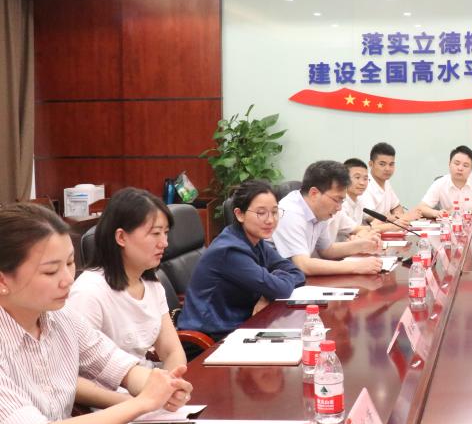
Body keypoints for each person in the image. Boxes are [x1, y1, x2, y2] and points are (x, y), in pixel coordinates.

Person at [0, 204, 191, 424]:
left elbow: (120, 367)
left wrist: (161, 385)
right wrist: (141, 404)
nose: (67, 279)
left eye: (69, 263)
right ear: (3, 280)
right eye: (50, 271)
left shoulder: (61, 317)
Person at [66, 188, 186, 382]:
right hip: (112, 396)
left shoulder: (153, 285)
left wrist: (170, 385)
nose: (164, 243)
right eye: (156, 233)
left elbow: (172, 352)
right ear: (121, 237)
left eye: (165, 233)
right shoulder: (88, 292)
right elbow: (73, 376)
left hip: (149, 386)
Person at [178, 180, 306, 339]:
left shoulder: (256, 241)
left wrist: (267, 294)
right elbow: (282, 289)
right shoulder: (230, 251)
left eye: (274, 212)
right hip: (212, 337)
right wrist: (272, 286)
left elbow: (297, 273)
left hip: (242, 324)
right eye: (261, 213)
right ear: (240, 214)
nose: (270, 220)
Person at [273, 160, 383, 275]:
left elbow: (326, 250)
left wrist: (362, 245)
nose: (339, 208)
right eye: (336, 200)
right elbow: (303, 265)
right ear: (314, 193)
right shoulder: (291, 212)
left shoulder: (319, 211)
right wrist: (357, 266)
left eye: (342, 201)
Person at [416, 145, 472, 218]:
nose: (460, 168)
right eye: (457, 163)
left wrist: (465, 211)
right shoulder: (439, 183)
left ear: (471, 169)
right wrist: (437, 213)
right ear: (449, 164)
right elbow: (421, 208)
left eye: (465, 165)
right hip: (447, 226)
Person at [364, 142, 421, 227]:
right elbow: (370, 217)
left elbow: (396, 206)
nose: (387, 169)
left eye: (391, 164)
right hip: (368, 231)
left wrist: (398, 215)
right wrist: (402, 217)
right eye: (382, 164)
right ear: (371, 164)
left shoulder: (386, 182)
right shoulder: (364, 184)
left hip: (386, 230)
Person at [327, 158, 383, 240]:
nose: (362, 183)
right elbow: (354, 230)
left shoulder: (359, 201)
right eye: (357, 177)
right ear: (344, 179)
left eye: (365, 179)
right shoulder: (340, 204)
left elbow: (359, 229)